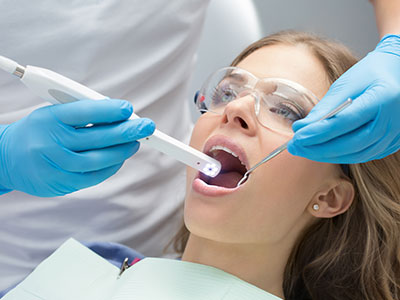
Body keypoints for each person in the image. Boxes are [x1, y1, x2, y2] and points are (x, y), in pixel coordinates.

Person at [1, 0, 400, 292]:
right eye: (227, 91)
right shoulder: (89, 265)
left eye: (286, 110)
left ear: (330, 197)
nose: (237, 108)